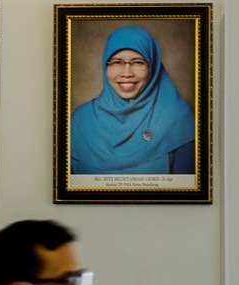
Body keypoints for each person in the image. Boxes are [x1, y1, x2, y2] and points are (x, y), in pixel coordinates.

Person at [71, 25, 195, 174]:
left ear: (153, 67)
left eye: (138, 62)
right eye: (117, 62)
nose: (127, 73)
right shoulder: (81, 119)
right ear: (105, 66)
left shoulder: (179, 119)